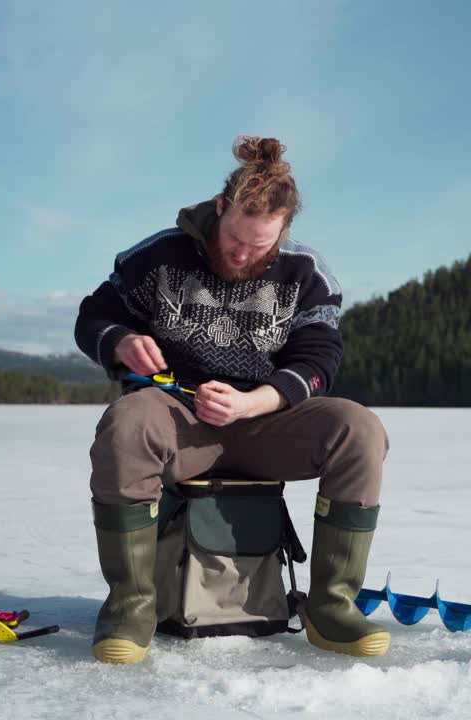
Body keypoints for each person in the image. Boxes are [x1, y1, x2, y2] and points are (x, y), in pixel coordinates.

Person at [74, 135, 390, 664]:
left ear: (283, 231)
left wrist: (254, 403)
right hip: (181, 417)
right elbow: (93, 317)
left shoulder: (307, 274)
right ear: (219, 209)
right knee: (127, 424)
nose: (242, 254)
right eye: (234, 238)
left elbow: (320, 361)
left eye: (259, 246)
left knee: (359, 430)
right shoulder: (157, 257)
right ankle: (130, 607)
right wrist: (122, 341)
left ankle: (332, 606)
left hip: (268, 423)